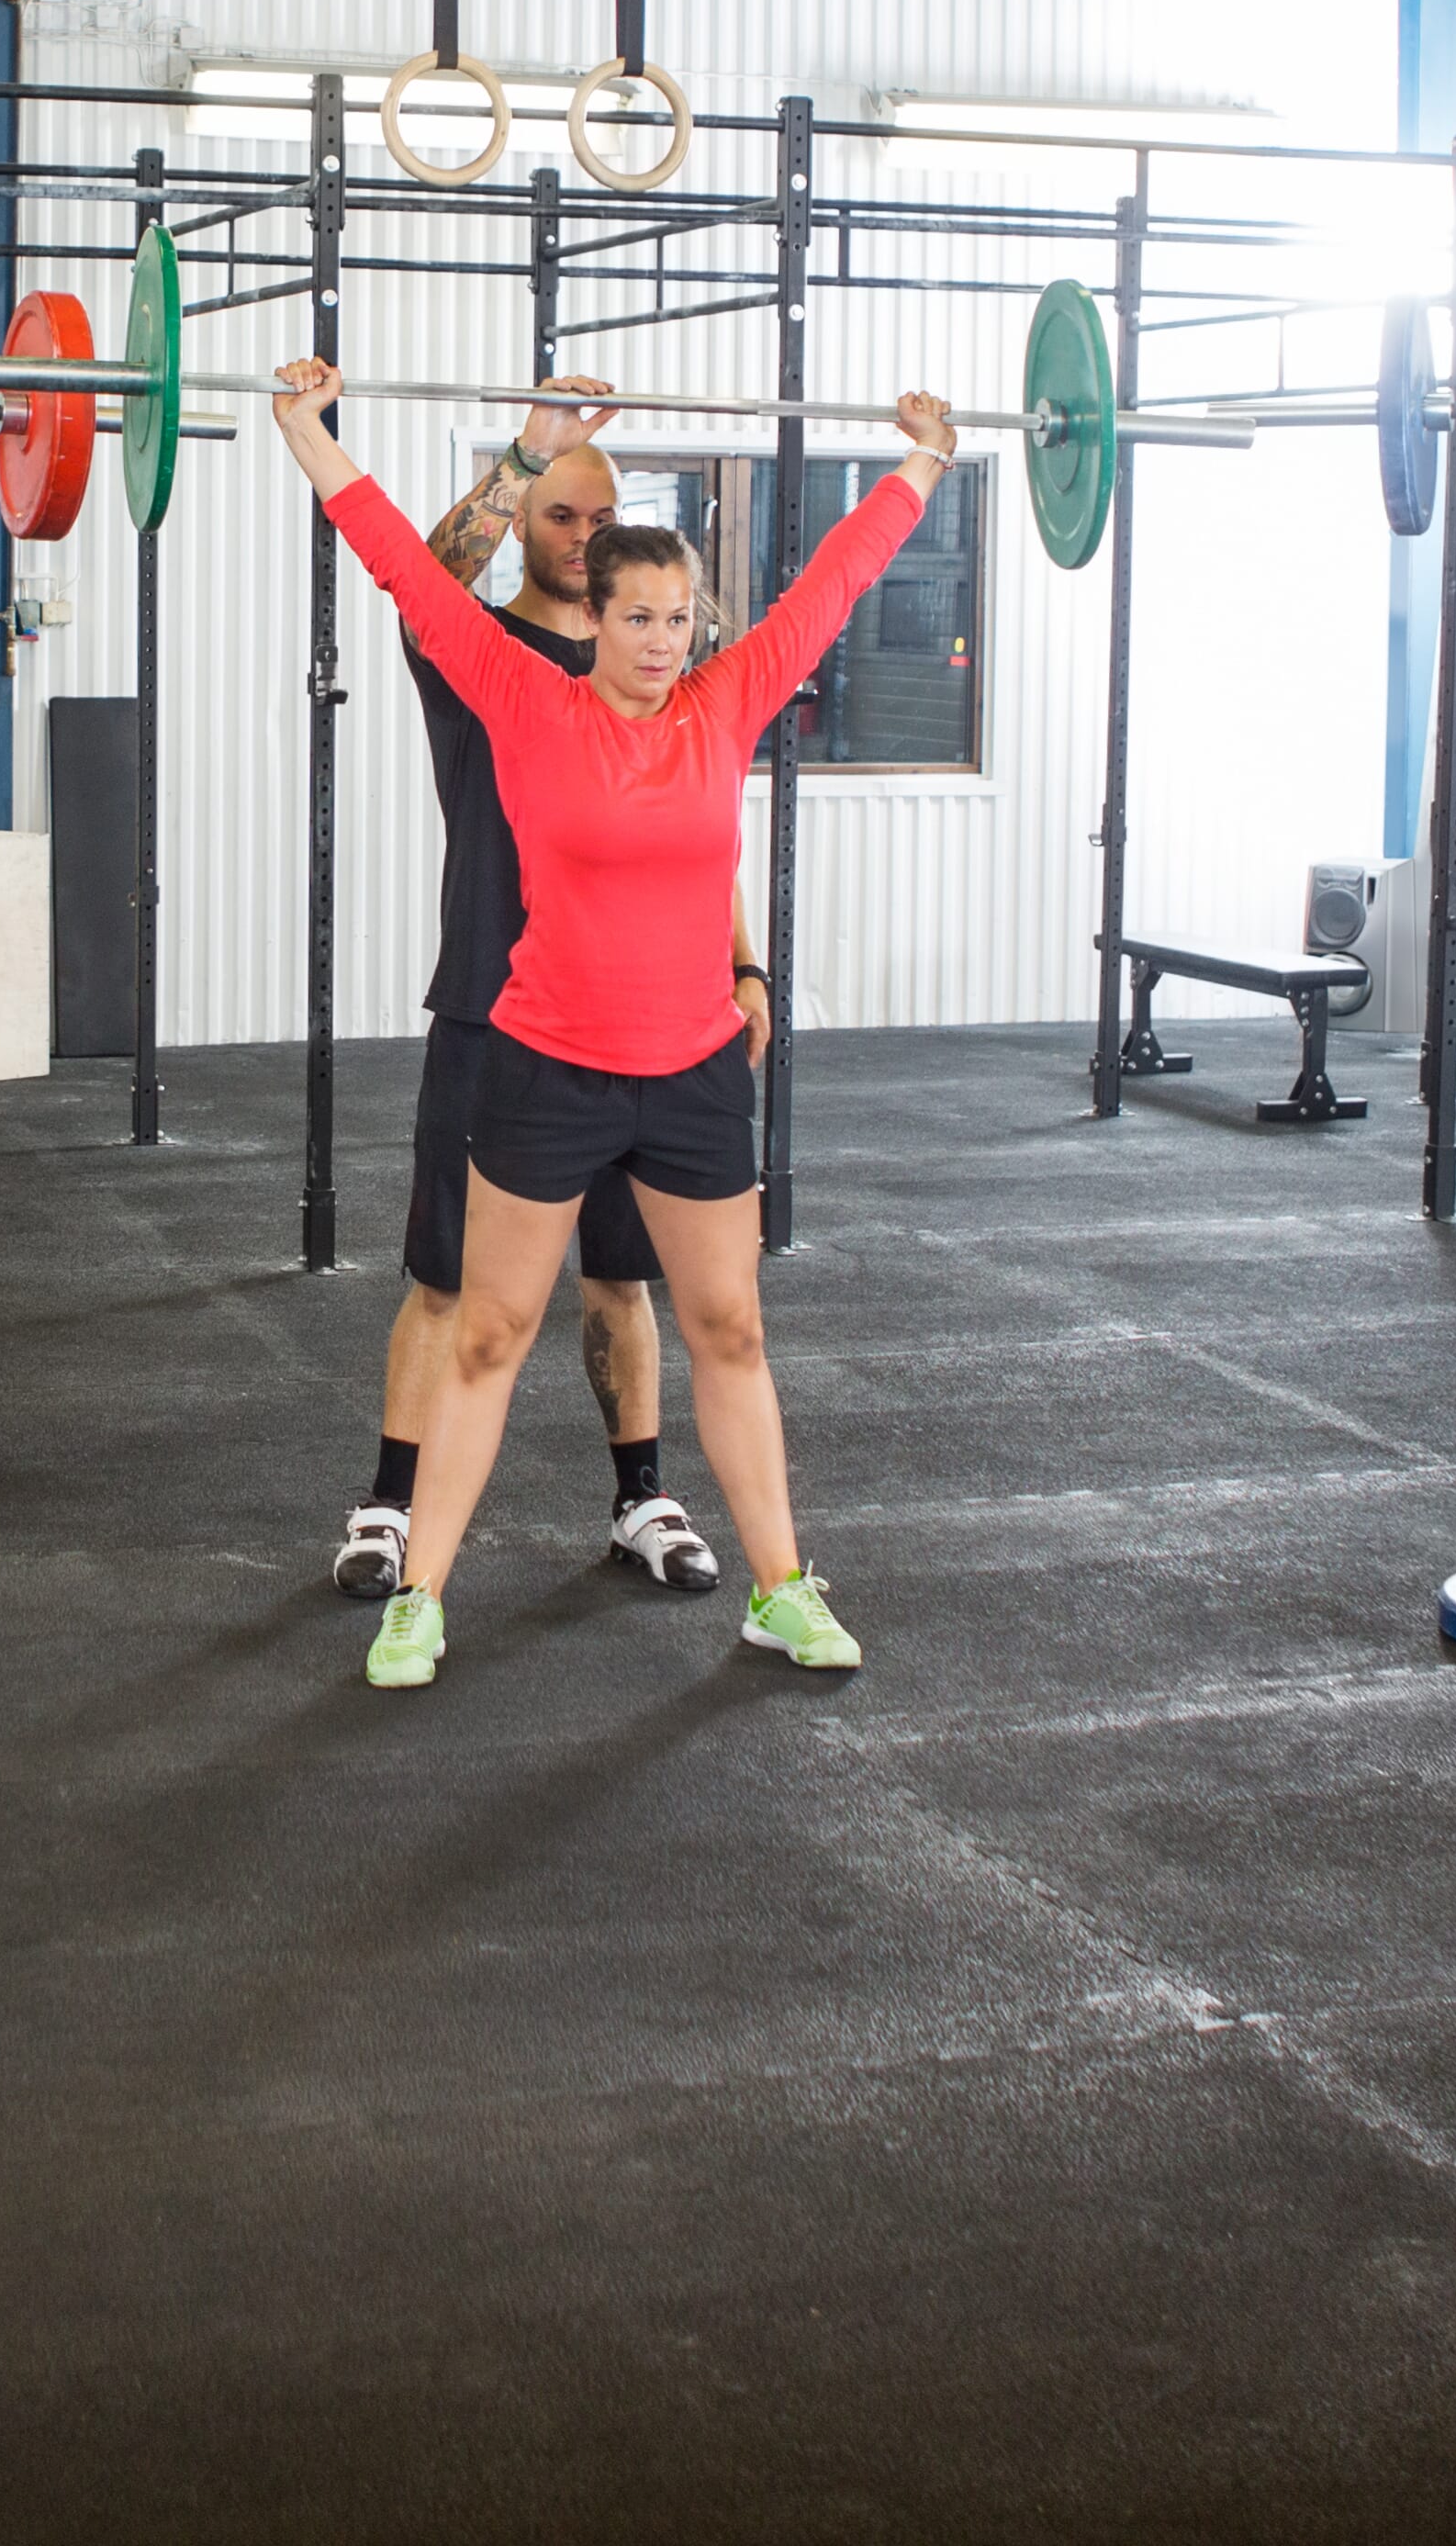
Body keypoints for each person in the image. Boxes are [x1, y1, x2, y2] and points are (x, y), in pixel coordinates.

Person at [271, 357, 953, 1691]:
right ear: (590, 617)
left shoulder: (725, 706)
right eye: (637, 616)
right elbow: (403, 566)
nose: (660, 640)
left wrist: (921, 464)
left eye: (678, 618)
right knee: (486, 1335)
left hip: (692, 1075)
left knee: (731, 1332)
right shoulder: (524, 699)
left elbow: (835, 587)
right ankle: (421, 1597)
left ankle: (781, 1588)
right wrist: (309, 432)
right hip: (546, 1068)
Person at [331, 377, 734, 1607]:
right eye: (559, 514)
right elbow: (423, 574)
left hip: (634, 1024)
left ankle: (642, 1498)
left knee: (622, 1277)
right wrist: (526, 451)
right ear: (521, 521)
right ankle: (390, 1506)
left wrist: (742, 963)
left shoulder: (658, 673)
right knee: (449, 1282)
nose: (582, 537)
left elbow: (698, 835)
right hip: (493, 1006)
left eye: (600, 519)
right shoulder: (477, 653)